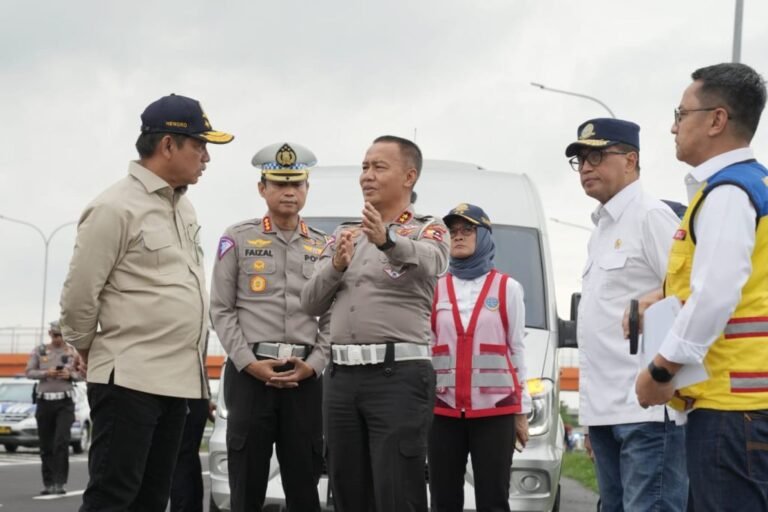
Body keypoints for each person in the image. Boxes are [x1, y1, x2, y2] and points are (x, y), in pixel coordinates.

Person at [59, 93, 233, 512]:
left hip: (177, 381)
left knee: (153, 499)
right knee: (114, 496)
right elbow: (80, 293)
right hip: (130, 379)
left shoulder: (183, 206)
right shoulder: (114, 207)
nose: (206, 157)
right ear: (168, 145)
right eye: (199, 145)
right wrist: (88, 347)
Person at [633, 62, 768, 511]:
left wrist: (661, 371)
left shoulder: (729, 192)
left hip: (732, 408)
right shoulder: (757, 188)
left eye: (681, 113)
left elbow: (716, 295)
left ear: (717, 120)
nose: (673, 127)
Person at [301, 135, 449, 512]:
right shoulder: (343, 235)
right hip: (342, 379)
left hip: (396, 377)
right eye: (364, 167)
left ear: (409, 176)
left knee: (398, 491)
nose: (367, 175)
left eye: (379, 167)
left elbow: (434, 262)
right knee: (347, 491)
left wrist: (387, 240)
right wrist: (336, 266)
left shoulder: (426, 229)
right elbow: (310, 302)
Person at [566, 118, 687, 511]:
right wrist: (589, 417)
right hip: (605, 409)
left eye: (597, 155)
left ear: (631, 160)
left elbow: (689, 292)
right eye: (581, 159)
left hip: (647, 410)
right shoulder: (600, 229)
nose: (586, 166)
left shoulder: (651, 216)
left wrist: (655, 297)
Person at [210, 142, 330, 512]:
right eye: (279, 183)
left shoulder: (323, 245)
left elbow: (332, 317)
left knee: (304, 486)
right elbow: (221, 309)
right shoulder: (239, 237)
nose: (289, 191)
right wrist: (248, 363)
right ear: (262, 189)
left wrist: (315, 363)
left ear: (308, 189)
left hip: (304, 377)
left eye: (297, 183)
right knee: (245, 486)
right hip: (250, 376)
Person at [427, 203, 531, 512]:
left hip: (496, 412)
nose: (458, 236)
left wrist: (521, 411)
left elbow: (517, 349)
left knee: (493, 500)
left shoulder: (508, 288)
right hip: (443, 411)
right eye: (453, 231)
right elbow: (427, 346)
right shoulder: (435, 286)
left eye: (467, 230)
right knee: (443, 500)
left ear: (484, 235)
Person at [25, 320, 83, 495]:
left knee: (61, 442)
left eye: (60, 335)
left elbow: (84, 373)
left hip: (64, 403)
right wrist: (46, 373)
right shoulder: (40, 351)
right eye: (54, 335)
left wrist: (70, 375)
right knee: (46, 444)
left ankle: (60, 482)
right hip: (44, 402)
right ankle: (48, 483)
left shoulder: (73, 352)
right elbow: (28, 372)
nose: (57, 339)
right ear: (49, 334)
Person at [169, 332, 216, 512]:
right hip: (196, 395)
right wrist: (207, 396)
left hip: (181, 391)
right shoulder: (200, 314)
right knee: (188, 459)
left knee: (181, 460)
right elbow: (201, 364)